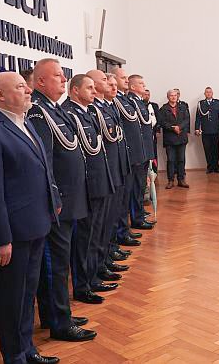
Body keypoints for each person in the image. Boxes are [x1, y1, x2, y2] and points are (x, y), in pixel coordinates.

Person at [0, 72, 61, 364]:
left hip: (36, 224)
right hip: (13, 233)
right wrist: (1, 238)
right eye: (20, 87)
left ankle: (27, 348)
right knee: (10, 299)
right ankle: (14, 356)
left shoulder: (27, 123)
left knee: (27, 295)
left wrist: (53, 201)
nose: (28, 91)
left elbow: (43, 168)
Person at [25, 59, 96, 342]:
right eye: (57, 76)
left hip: (68, 197)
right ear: (40, 82)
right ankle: (58, 321)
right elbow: (45, 162)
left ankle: (57, 312)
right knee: (56, 264)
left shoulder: (53, 109)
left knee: (60, 261)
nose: (63, 79)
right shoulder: (40, 113)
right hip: (59, 202)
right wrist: (54, 197)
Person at [62, 74, 117, 305]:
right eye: (90, 88)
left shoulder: (86, 111)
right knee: (85, 238)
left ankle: (94, 274)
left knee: (97, 233)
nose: (95, 92)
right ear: (75, 90)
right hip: (88, 185)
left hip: (100, 181)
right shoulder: (69, 113)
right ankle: (84, 285)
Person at [90, 71, 130, 290]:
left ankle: (104, 260)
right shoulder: (94, 110)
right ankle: (92, 274)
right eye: (105, 80)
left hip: (114, 171)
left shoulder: (106, 107)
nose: (110, 84)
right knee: (96, 229)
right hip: (102, 178)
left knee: (108, 222)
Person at [123, 73, 156, 228]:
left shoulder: (140, 102)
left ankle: (140, 213)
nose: (144, 86)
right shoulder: (130, 101)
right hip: (136, 151)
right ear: (133, 86)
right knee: (136, 187)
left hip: (143, 150)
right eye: (141, 84)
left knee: (141, 186)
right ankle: (136, 217)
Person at [158, 89, 191, 189]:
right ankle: (170, 180)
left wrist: (179, 127)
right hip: (170, 138)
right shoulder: (163, 109)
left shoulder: (183, 107)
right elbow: (162, 122)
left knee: (181, 159)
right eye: (171, 95)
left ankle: (181, 179)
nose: (173, 97)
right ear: (168, 97)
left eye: (175, 95)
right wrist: (173, 128)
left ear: (177, 96)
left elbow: (187, 119)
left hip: (181, 137)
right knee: (171, 160)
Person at [194, 87, 219, 173]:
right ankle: (209, 167)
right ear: (204, 94)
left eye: (210, 92)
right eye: (207, 92)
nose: (208, 94)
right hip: (205, 131)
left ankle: (216, 167)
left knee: (216, 149)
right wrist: (197, 128)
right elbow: (198, 117)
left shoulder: (218, 102)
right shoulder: (200, 104)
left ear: (212, 93)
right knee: (207, 149)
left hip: (216, 130)